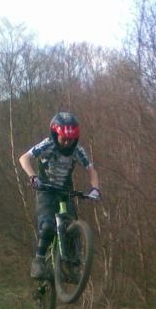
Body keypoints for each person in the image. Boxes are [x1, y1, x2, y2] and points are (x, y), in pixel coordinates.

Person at [19, 111, 101, 279]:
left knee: (71, 228)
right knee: (48, 225)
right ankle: (39, 261)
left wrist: (95, 189)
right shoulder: (47, 144)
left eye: (71, 139)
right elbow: (24, 158)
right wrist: (33, 177)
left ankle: (71, 266)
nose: (67, 143)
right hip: (45, 190)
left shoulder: (78, 150)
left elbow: (91, 170)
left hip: (65, 191)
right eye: (64, 139)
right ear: (55, 135)